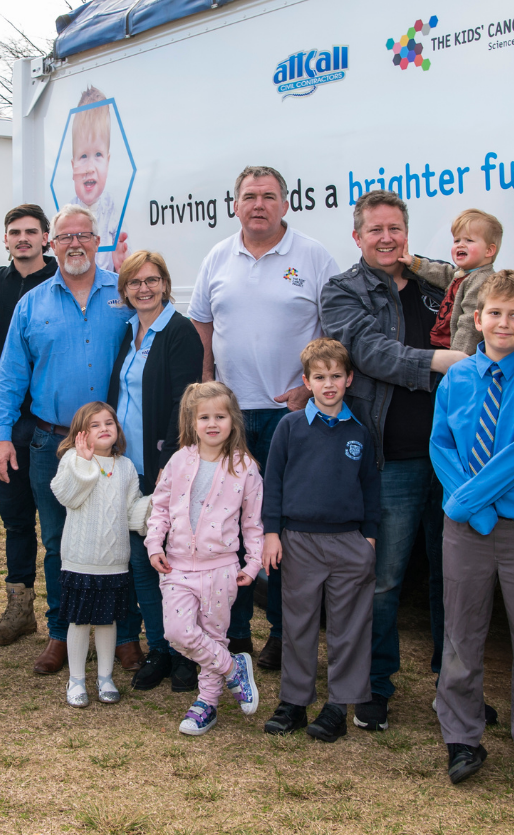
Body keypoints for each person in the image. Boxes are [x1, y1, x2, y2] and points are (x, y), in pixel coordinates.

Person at [319, 188, 460, 733]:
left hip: (452, 458)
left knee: (455, 579)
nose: (386, 238)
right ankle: (376, 686)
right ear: (357, 237)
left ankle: (456, 686)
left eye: (394, 229)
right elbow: (368, 352)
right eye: (374, 230)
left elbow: (484, 288)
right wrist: (440, 362)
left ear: (406, 232)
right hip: (392, 460)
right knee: (383, 582)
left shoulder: (433, 283)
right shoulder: (342, 291)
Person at [188, 165, 340, 669]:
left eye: (269, 196)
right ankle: (234, 634)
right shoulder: (218, 256)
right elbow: (202, 322)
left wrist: (307, 388)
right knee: (228, 527)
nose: (258, 204)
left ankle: (281, 633)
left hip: (290, 416)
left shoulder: (314, 256)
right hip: (229, 418)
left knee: (280, 530)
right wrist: (208, 386)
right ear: (235, 205)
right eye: (249, 196)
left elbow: (334, 331)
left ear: (285, 205)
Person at [428, 270, 514, 796]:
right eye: (495, 313)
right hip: (467, 530)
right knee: (462, 636)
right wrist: (469, 509)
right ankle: (462, 737)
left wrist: (469, 501)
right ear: (477, 318)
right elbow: (442, 447)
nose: (503, 322)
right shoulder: (457, 379)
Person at [0, 205, 137, 675]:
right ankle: (59, 633)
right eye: (65, 237)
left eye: (84, 236)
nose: (75, 244)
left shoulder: (125, 295)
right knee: (57, 542)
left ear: (99, 241)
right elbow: (11, 375)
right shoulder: (31, 304)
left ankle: (128, 636)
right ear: (52, 246)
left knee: (124, 538)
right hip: (51, 445)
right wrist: (1, 435)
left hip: (117, 448)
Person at [259, 338, 381, 742]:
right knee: (298, 624)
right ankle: (293, 703)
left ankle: (336, 708)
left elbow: (370, 489)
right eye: (319, 377)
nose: (328, 384)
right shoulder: (290, 427)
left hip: (348, 541)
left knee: (349, 627)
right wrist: (273, 533)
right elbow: (272, 482)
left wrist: (369, 539)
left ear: (348, 379)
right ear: (307, 382)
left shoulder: (359, 432)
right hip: (299, 540)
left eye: (335, 376)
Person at [106, 250, 204, 692]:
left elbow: (182, 405)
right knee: (144, 566)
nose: (143, 289)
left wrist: (165, 469)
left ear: (165, 283)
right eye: (134, 282)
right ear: (125, 289)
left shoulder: (179, 332)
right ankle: (160, 649)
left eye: (151, 280)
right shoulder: (129, 332)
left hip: (162, 470)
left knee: (175, 565)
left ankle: (186, 656)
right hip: (127, 469)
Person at [145, 382, 264, 735]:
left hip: (221, 568)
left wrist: (253, 563)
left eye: (220, 416)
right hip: (178, 565)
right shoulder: (179, 460)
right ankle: (233, 669)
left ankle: (206, 704)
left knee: (214, 634)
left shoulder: (245, 467)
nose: (213, 424)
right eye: (205, 417)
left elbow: (253, 522)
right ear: (192, 422)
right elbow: (160, 508)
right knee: (177, 632)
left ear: (233, 420)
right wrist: (155, 545)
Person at [0, 205, 58, 648]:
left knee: (59, 526)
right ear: (6, 239)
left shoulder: (61, 281)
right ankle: (19, 610)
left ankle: (66, 615)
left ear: (46, 238)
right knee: (15, 520)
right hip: (9, 420)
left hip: (52, 423)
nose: (23, 239)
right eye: (15, 233)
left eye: (32, 232)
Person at [49, 402, 150, 708]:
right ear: (81, 435)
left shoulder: (126, 467)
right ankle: (76, 679)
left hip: (114, 562)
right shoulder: (72, 460)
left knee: (108, 623)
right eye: (95, 425)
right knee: (79, 622)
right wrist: (83, 462)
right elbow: (67, 496)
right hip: (81, 558)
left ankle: (105, 677)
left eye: (109, 422)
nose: (104, 428)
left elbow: (132, 513)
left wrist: (157, 503)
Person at [69, 86, 129, 270]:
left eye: (98, 155)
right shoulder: (68, 214)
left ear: (108, 162)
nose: (90, 168)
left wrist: (122, 266)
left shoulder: (112, 210)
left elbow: (125, 262)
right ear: (73, 166)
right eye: (83, 156)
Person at [429, 210, 503, 353]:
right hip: (447, 348)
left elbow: (469, 325)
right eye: (457, 240)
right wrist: (414, 263)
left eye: (469, 240)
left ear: (489, 251)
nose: (460, 245)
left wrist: (457, 358)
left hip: (460, 354)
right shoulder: (464, 273)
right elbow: (442, 273)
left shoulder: (481, 281)